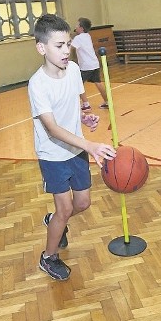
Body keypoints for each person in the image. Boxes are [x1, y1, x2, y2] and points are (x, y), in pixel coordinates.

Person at [28, 14, 116, 280]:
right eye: (59, 45)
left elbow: (69, 108)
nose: (66, 50)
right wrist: (90, 145)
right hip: (53, 155)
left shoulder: (75, 70)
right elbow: (52, 128)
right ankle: (48, 257)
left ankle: (55, 221)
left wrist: (82, 117)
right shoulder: (37, 84)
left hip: (75, 150)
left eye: (68, 44)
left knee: (83, 203)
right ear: (41, 48)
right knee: (65, 208)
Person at [71, 17, 109, 111]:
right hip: (94, 64)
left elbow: (70, 47)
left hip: (86, 66)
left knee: (78, 85)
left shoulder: (78, 38)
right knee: (98, 83)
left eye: (77, 25)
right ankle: (107, 102)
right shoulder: (87, 35)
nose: (75, 27)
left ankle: (86, 105)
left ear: (81, 28)